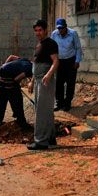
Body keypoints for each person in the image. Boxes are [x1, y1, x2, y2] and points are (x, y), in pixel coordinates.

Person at [27, 19, 59, 150]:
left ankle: (40, 141)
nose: (38, 33)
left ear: (45, 30)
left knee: (41, 111)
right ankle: (50, 138)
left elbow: (56, 61)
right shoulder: (39, 44)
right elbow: (36, 64)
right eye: (36, 30)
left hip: (46, 81)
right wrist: (32, 81)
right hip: (38, 80)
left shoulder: (51, 43)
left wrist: (49, 75)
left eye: (40, 30)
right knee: (45, 110)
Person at [0, 55, 33, 129]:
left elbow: (11, 57)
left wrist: (4, 67)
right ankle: (21, 123)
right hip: (6, 75)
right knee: (17, 98)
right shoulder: (30, 69)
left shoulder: (25, 60)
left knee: (2, 99)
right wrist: (17, 84)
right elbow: (16, 79)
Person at [51, 18, 83, 112]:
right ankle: (59, 103)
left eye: (62, 28)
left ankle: (67, 103)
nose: (60, 30)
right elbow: (51, 48)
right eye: (59, 28)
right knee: (59, 83)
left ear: (66, 27)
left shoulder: (73, 33)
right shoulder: (54, 34)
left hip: (71, 61)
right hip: (59, 61)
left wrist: (77, 61)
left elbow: (78, 48)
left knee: (70, 83)